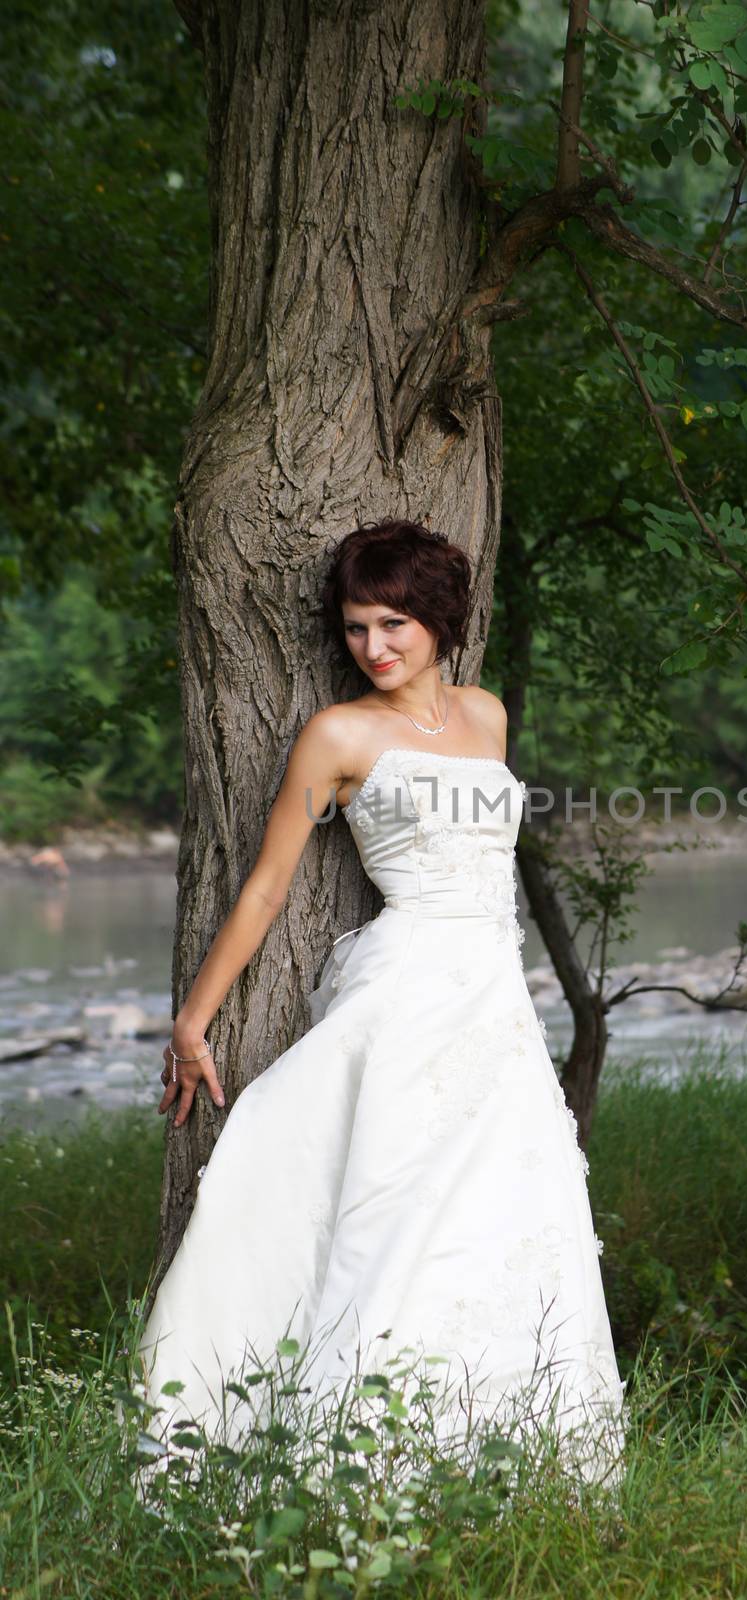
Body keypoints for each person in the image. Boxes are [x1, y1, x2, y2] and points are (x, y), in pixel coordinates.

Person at [134, 519, 626, 1493]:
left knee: (505, 1209)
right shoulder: (339, 734)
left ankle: (505, 1449)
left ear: (438, 618)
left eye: (394, 622)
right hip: (406, 990)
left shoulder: (485, 715)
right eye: (357, 627)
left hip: (493, 997)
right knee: (389, 1209)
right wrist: (193, 1019)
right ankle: (352, 1455)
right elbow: (269, 886)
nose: (375, 646)